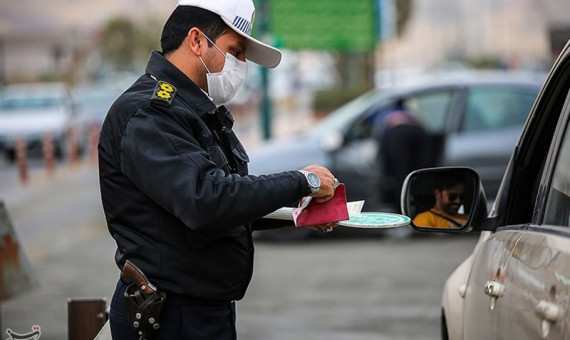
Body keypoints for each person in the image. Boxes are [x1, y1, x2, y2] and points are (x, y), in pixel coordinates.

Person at [97, 1, 339, 339]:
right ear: (196, 41)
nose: (241, 66)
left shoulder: (195, 111)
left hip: (201, 311)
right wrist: (303, 181)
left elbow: (226, 200)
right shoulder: (151, 113)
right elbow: (205, 200)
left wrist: (298, 214)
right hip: (170, 317)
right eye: (235, 51)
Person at [376, 99, 434, 212]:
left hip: (397, 137)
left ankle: (402, 212)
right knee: (419, 174)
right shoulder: (413, 113)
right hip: (413, 138)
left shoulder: (383, 112)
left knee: (401, 177)